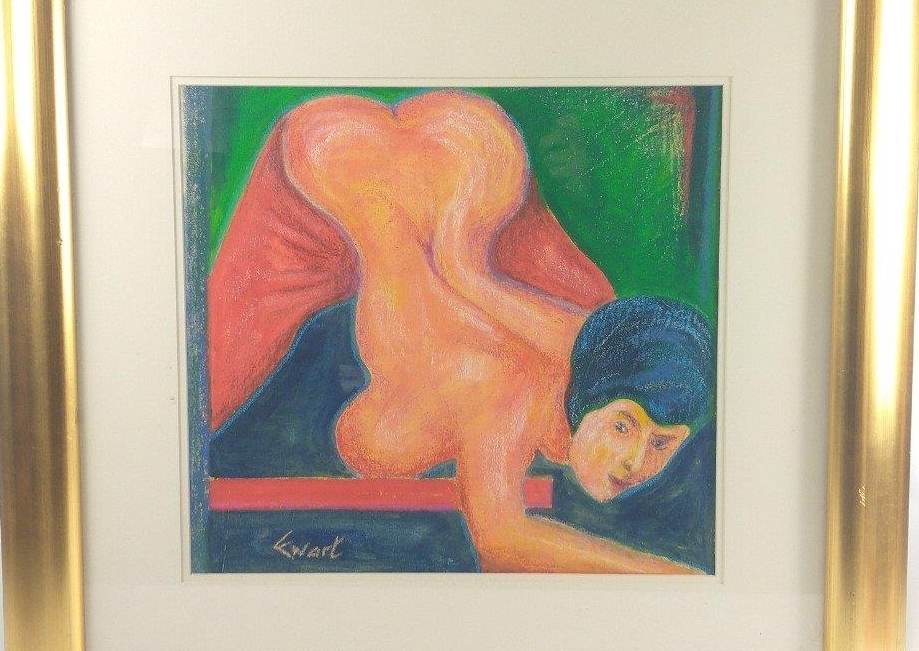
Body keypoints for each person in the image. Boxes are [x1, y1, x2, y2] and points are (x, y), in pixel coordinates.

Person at [208, 90, 714, 573]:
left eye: (661, 445)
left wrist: (463, 269)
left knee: (514, 279)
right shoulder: (507, 389)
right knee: (203, 394)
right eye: (623, 427)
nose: (632, 463)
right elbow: (504, 546)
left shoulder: (605, 333)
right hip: (334, 171)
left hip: (473, 148)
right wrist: (683, 580)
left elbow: (483, 286)